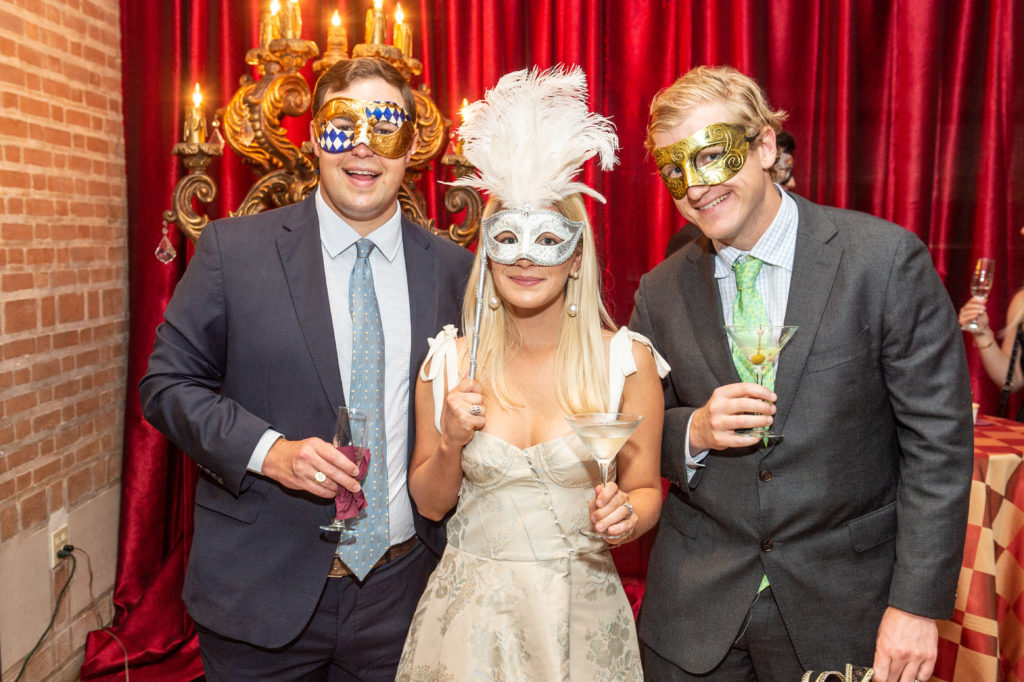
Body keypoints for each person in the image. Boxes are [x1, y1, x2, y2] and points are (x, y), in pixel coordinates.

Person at [630, 65, 973, 681]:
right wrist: (694, 431)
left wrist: (916, 605)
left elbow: (939, 447)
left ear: (764, 146)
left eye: (712, 155)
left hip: (845, 611)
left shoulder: (883, 261)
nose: (695, 186)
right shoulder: (660, 290)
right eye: (674, 169)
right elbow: (631, 428)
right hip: (693, 618)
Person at [139, 57, 473, 680]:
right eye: (343, 127)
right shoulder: (232, 252)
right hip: (258, 592)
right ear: (316, 138)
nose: (364, 148)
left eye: (385, 125)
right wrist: (271, 453)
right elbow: (165, 385)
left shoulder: (455, 270)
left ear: (414, 148)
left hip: (404, 593)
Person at [395, 66, 668, 680]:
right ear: (486, 252)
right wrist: (450, 441)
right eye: (507, 237)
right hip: (467, 628)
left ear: (576, 257)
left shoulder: (626, 362)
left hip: (579, 620)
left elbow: (646, 489)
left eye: (546, 239)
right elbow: (430, 505)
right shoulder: (447, 362)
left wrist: (630, 515)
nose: (524, 256)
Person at [666, 130, 795, 258]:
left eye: (712, 157)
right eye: (676, 170)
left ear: (765, 150)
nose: (694, 193)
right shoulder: (685, 250)